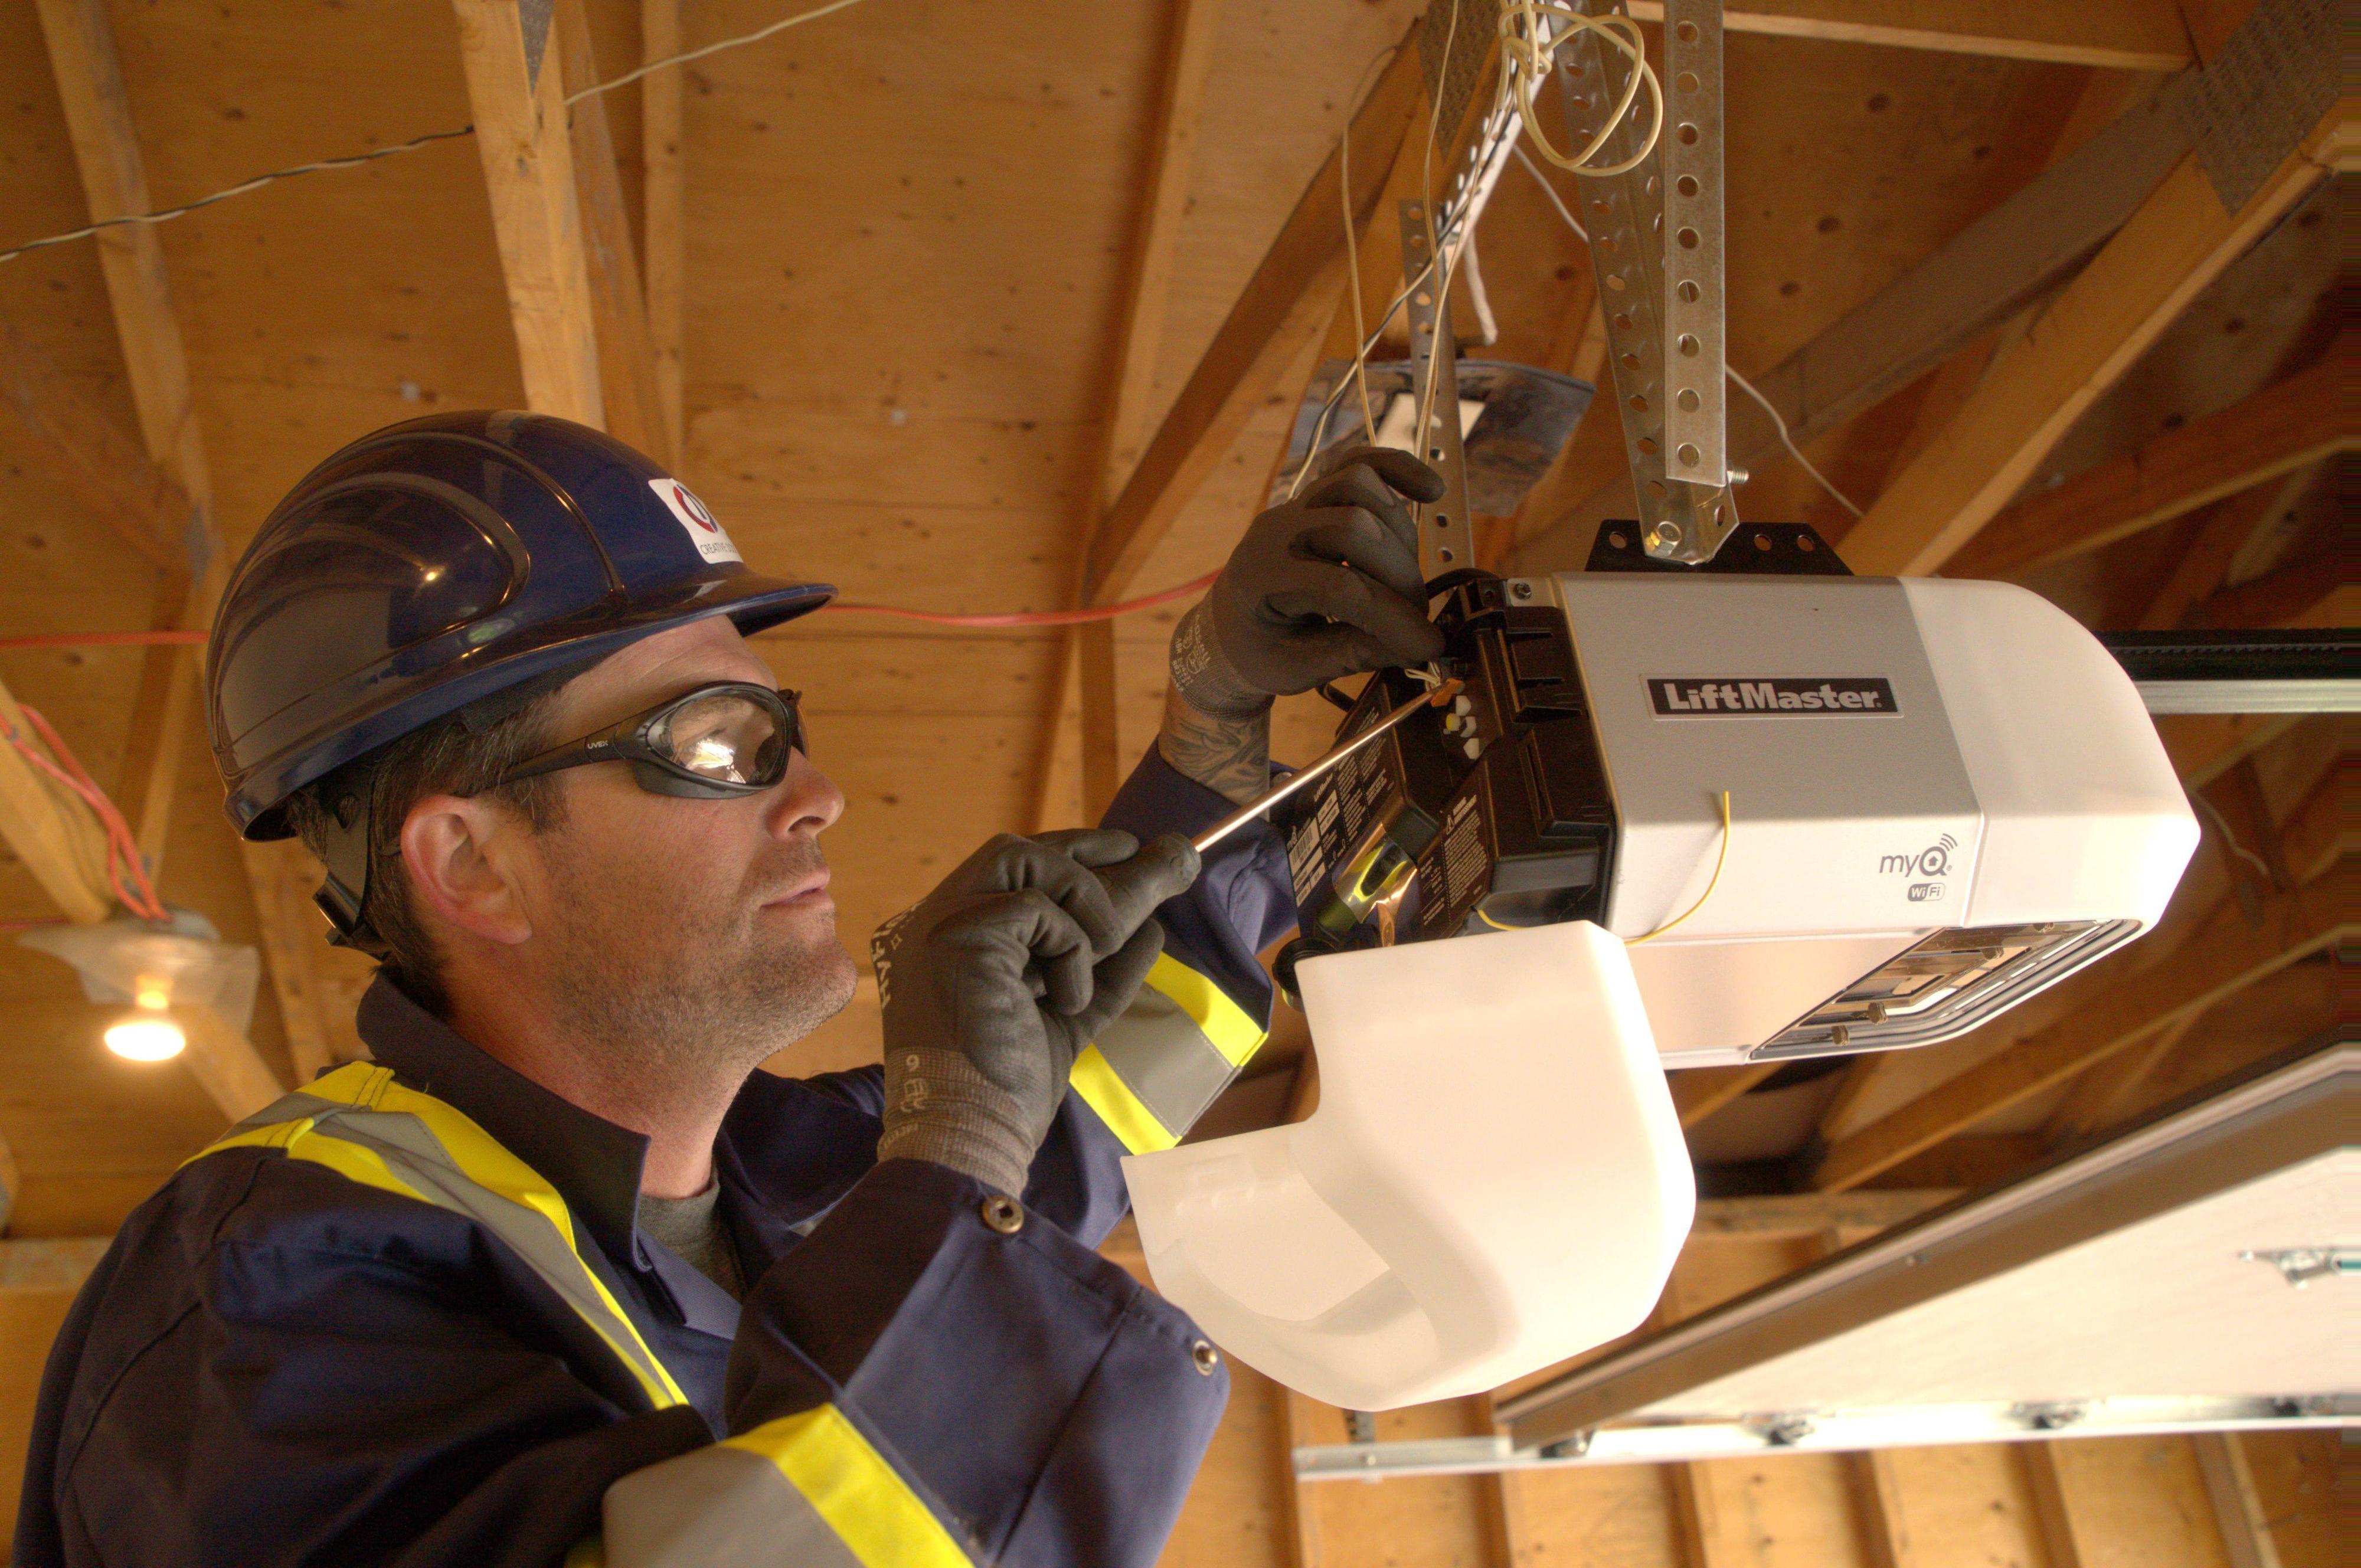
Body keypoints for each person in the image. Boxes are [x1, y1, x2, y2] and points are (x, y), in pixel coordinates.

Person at [13, 412, 1444, 1568]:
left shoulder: (788, 1179)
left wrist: (1212, 723)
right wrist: (953, 1153)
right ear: (474, 865)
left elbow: (1089, 1088)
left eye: (784, 729)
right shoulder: (266, 1300)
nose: (819, 796)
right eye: (716, 742)